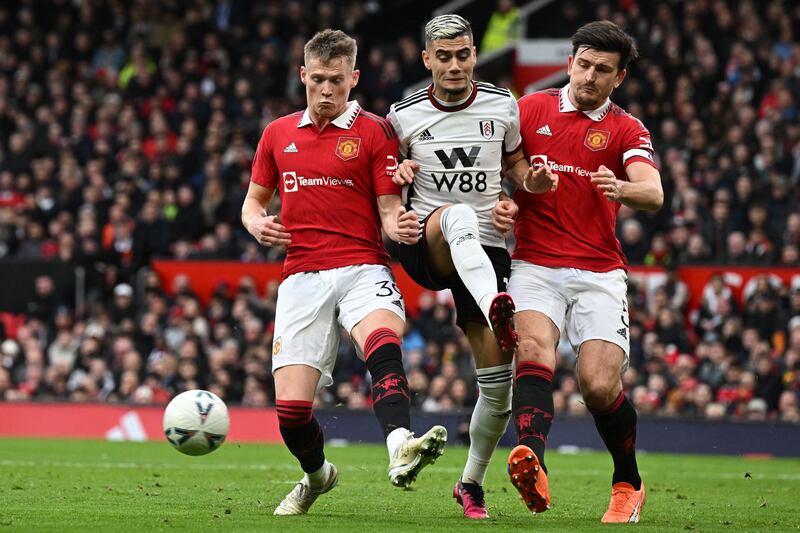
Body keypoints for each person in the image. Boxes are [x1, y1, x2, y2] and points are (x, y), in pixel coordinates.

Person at [242, 29, 447, 516]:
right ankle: (317, 476)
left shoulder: (374, 131)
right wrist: (257, 225)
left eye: (337, 80)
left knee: (382, 338)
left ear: (354, 78)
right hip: (302, 275)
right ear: (303, 77)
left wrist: (406, 225)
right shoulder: (277, 133)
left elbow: (388, 215)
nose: (327, 90)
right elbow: (253, 203)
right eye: (318, 80)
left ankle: (400, 442)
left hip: (362, 264)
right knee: (291, 414)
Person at [387, 14, 556, 520]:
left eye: (463, 55)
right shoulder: (403, 115)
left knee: (498, 388)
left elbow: (518, 170)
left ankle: (470, 484)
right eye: (444, 57)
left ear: (474, 55)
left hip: (486, 250)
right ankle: (496, 305)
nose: (455, 65)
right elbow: (386, 185)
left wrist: (527, 189)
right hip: (430, 242)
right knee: (458, 215)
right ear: (427, 61)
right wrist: (398, 189)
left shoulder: (504, 106)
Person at [497, 20, 663, 523]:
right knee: (532, 350)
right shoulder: (529, 109)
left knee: (596, 385)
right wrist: (511, 198)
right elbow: (504, 169)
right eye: (584, 64)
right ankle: (533, 460)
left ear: (620, 77)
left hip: (597, 270)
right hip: (534, 263)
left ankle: (628, 483)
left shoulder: (627, 129)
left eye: (603, 70)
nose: (590, 76)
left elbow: (652, 192)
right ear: (569, 63)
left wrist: (621, 188)